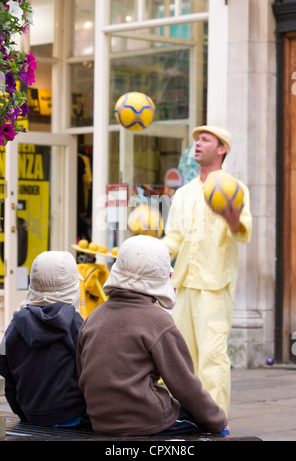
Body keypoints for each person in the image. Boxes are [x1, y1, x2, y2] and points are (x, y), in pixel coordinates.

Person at [76, 235, 228, 437]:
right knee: (200, 422)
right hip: (146, 420)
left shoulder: (94, 316)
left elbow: (82, 372)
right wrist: (218, 420)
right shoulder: (159, 321)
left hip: (100, 420)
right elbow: (185, 384)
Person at [161, 126, 252, 416]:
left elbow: (242, 233)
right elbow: (173, 239)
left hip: (215, 287)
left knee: (213, 357)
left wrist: (233, 218)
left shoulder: (235, 189)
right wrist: (146, 252)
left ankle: (216, 421)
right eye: (196, 140)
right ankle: (184, 417)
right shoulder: (184, 194)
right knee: (181, 360)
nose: (197, 144)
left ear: (221, 148)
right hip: (184, 287)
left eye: (204, 140)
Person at [0, 251, 88, 427]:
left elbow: (7, 376)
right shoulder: (75, 324)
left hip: (30, 415)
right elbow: (89, 373)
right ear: (72, 285)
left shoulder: (14, 326)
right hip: (74, 415)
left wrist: (22, 413)